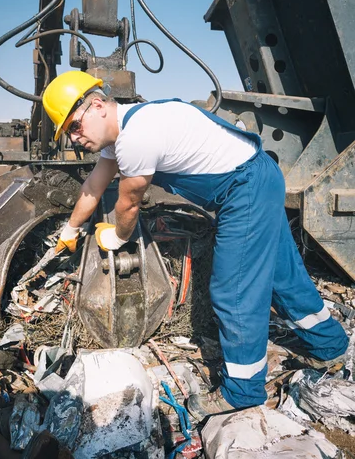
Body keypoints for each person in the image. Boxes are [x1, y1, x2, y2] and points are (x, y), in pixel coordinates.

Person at [43, 70, 349, 416]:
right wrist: (70, 229)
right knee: (281, 273)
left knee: (234, 289)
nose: (74, 138)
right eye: (68, 133)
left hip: (244, 188)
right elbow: (92, 188)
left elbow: (128, 204)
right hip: (258, 178)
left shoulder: (136, 137)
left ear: (97, 105)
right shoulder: (122, 135)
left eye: (74, 127)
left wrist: (117, 235)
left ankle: (243, 391)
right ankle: (330, 344)